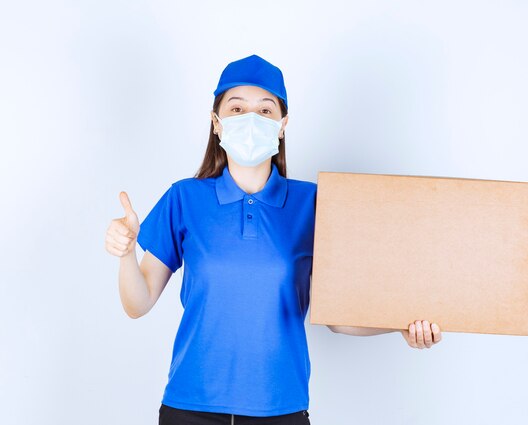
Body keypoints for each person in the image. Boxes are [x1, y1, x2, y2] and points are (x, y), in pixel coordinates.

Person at [105, 54, 442, 425]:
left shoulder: (313, 203)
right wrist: (125, 254)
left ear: (282, 125)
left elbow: (339, 318)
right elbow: (138, 304)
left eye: (265, 111)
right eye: (237, 108)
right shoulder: (185, 198)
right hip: (190, 407)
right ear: (216, 123)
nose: (251, 119)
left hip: (281, 409)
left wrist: (403, 323)